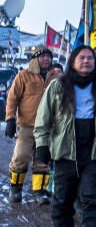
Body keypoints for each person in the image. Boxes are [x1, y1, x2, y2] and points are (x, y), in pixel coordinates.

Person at [34, 45, 96, 227]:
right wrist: (42, 145)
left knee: (93, 198)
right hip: (64, 152)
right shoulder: (58, 86)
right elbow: (42, 119)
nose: (86, 61)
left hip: (93, 152)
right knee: (63, 197)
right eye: (81, 57)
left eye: (90, 58)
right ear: (72, 61)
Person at [5, 47, 61, 204]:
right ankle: (15, 189)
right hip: (27, 126)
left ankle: (40, 192)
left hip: (48, 128)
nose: (46, 60)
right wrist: (10, 119)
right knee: (21, 157)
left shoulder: (57, 77)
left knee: (43, 160)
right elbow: (12, 98)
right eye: (43, 57)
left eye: (48, 57)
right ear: (35, 59)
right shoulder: (23, 76)